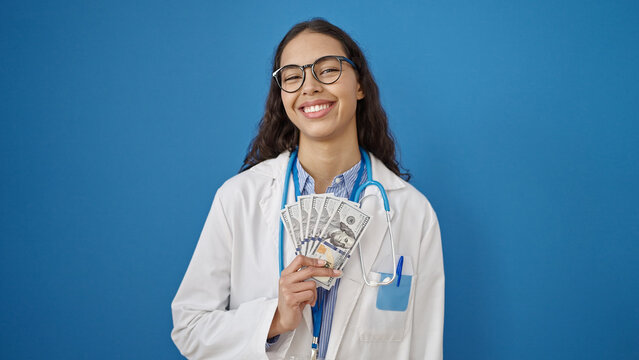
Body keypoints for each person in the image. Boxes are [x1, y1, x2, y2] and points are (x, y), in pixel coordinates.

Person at [171, 18, 444, 360]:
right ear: (282, 95)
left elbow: (425, 347)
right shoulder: (238, 198)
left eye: (328, 70)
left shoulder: (413, 213)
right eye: (293, 76)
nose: (310, 87)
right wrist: (275, 319)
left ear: (359, 84)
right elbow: (190, 326)